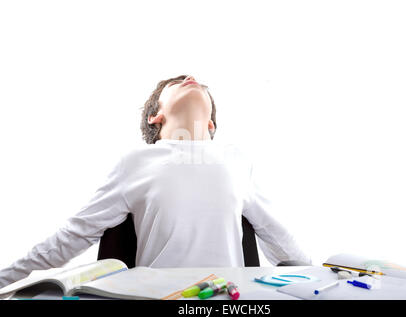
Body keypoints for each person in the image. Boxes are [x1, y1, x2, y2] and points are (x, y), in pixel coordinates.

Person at [0, 74, 311, 289]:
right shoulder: (135, 162)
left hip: (225, 297)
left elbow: (280, 240)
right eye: (176, 84)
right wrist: (5, 279)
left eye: (199, 85)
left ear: (211, 123)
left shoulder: (236, 159)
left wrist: (326, 277)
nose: (190, 78)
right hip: (157, 295)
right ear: (155, 116)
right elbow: (72, 235)